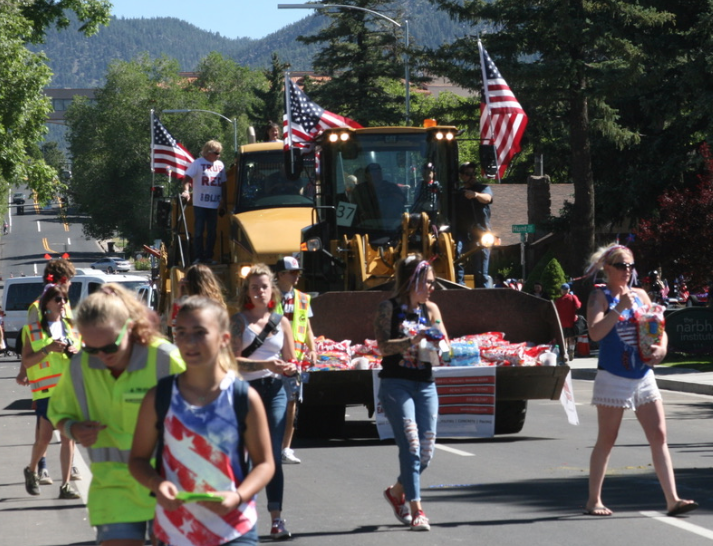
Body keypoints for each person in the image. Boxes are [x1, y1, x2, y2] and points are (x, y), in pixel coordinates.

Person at [129, 296, 275, 546]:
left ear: (224, 339)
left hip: (235, 530)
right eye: (181, 333)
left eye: (200, 333)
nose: (189, 342)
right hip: (176, 532)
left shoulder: (243, 397)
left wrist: (238, 496)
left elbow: (265, 464)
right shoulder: (160, 396)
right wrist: (157, 484)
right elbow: (138, 460)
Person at [48, 284, 186, 545]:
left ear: (131, 328)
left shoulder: (165, 359)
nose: (101, 356)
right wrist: (73, 429)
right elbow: (59, 412)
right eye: (91, 348)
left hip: (169, 485)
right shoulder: (80, 366)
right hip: (113, 491)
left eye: (110, 348)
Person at [583, 243, 698, 518]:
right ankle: (593, 500)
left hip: (643, 374)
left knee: (659, 435)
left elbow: (659, 327)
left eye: (631, 266)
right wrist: (617, 308)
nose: (627, 271)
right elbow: (595, 333)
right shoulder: (600, 296)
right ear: (607, 268)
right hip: (613, 375)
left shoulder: (640, 296)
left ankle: (673, 500)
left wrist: (662, 348)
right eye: (622, 266)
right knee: (607, 439)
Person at [374, 254, 450, 532]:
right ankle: (417, 510)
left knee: (426, 452)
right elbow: (383, 347)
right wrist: (413, 339)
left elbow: (446, 347)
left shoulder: (431, 309)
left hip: (425, 384)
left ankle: (396, 492)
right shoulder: (388, 308)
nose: (432, 287)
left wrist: (440, 345)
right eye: (428, 282)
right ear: (411, 281)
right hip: (396, 384)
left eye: (433, 283)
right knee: (411, 445)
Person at [230, 264, 299, 540]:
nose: (259, 291)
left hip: (275, 390)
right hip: (247, 391)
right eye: (254, 286)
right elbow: (232, 361)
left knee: (271, 454)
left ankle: (276, 518)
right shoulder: (239, 320)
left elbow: (292, 359)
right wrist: (267, 363)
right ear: (247, 291)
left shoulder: (281, 321)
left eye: (263, 286)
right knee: (245, 455)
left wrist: (290, 368)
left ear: (272, 290)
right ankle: (240, 517)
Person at [16, 257, 78, 484]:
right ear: (62, 280)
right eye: (69, 281)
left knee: (65, 432)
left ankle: (67, 469)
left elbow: (72, 334)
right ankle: (41, 467)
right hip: (43, 380)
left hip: (65, 380)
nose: (70, 285)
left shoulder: (66, 304)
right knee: (43, 430)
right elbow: (29, 341)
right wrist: (23, 370)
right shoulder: (36, 308)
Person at [273, 256, 317, 465]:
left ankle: (285, 448)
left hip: (293, 360)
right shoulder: (267, 296)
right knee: (269, 403)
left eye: (298, 272)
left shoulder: (302, 298)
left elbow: (306, 327)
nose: (297, 275)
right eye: (293, 272)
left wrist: (313, 349)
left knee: (291, 402)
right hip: (270, 359)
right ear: (280, 275)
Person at [181, 140, 228, 265]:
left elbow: (224, 184)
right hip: (200, 203)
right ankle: (198, 257)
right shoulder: (197, 163)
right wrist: (186, 191)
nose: (218, 155)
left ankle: (208, 256)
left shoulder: (220, 165)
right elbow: (186, 179)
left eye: (219, 153)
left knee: (212, 231)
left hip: (214, 204)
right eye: (216, 153)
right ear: (208, 152)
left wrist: (224, 201)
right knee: (199, 231)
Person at [454, 161, 493, 287]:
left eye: (473, 173)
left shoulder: (482, 189)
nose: (472, 176)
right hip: (462, 232)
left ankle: (483, 292)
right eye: (468, 174)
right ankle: (459, 286)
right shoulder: (458, 193)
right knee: (456, 252)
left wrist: (475, 195)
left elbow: (488, 198)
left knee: (480, 268)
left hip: (480, 232)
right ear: (461, 176)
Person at [170, 263, 227, 335]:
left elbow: (171, 322)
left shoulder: (185, 303)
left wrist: (179, 295)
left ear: (188, 282)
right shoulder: (216, 303)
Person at [351, 163, 406, 230]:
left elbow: (402, 201)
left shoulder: (391, 187)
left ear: (381, 174)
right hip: (365, 227)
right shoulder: (359, 190)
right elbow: (352, 206)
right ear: (366, 175)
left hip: (392, 227)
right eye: (372, 173)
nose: (376, 175)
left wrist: (390, 195)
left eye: (378, 172)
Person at [554, 283, 581, 361]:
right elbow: (578, 306)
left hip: (561, 322)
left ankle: (565, 353)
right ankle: (571, 350)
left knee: (564, 338)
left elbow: (555, 310)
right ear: (569, 290)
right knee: (571, 338)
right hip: (571, 321)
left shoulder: (558, 300)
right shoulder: (573, 297)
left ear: (561, 291)